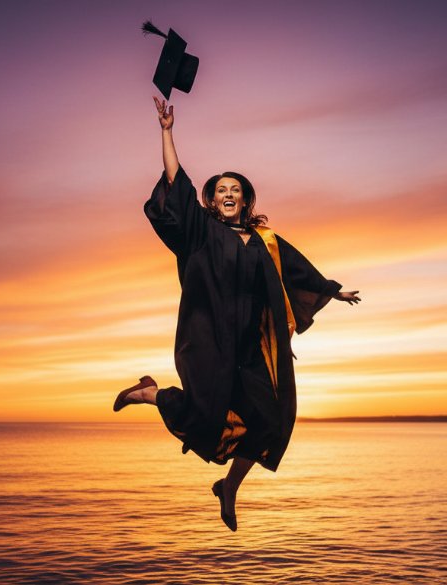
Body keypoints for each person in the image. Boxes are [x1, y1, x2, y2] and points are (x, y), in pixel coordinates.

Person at [113, 96, 361, 531]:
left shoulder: (265, 241)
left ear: (246, 201)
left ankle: (229, 487)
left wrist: (333, 292)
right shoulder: (202, 233)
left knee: (272, 423)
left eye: (236, 191)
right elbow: (178, 185)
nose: (228, 195)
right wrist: (167, 131)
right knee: (206, 417)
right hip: (207, 338)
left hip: (248, 351)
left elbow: (298, 272)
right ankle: (150, 394)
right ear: (213, 201)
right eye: (221, 191)